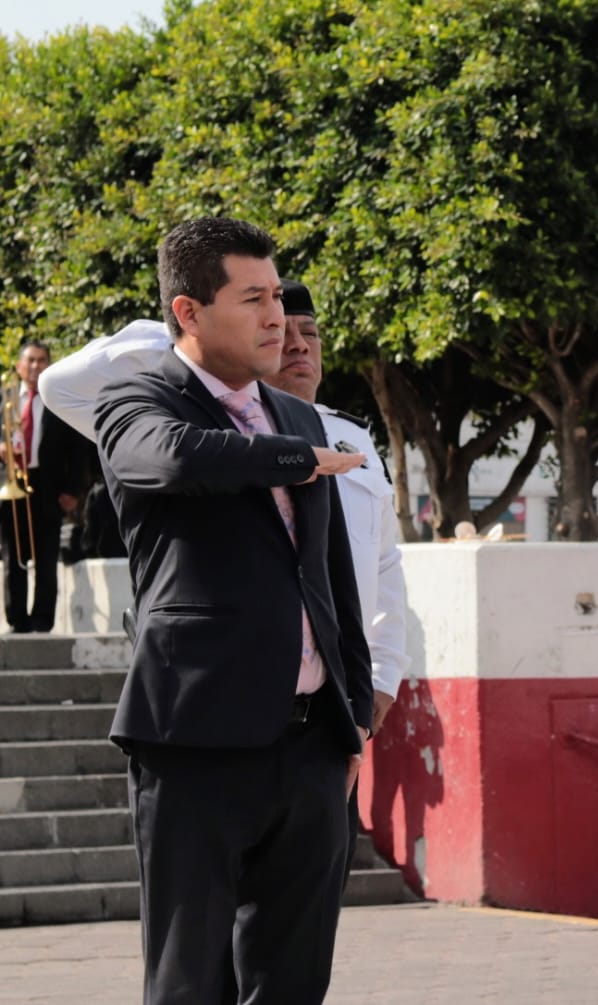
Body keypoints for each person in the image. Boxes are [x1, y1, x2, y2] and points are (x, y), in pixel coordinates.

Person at [39, 281, 412, 895]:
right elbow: (61, 386)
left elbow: (383, 573)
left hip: (322, 726)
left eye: (309, 335)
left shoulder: (353, 441)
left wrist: (378, 685)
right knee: (204, 951)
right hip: (212, 723)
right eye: (274, 328)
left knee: (296, 949)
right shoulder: (186, 430)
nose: (295, 346)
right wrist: (188, 334)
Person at [93, 217, 372, 1003]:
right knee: (190, 980)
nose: (276, 317)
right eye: (252, 298)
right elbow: (174, 457)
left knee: (293, 979)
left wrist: (354, 715)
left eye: (277, 295)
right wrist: (296, 460)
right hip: (194, 740)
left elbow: (331, 575)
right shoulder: (139, 396)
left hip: (312, 744)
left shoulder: (299, 416)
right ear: (189, 311)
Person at [0, 341, 91, 633]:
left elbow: (77, 450)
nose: (36, 366)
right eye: (31, 361)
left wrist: (73, 491)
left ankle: (42, 619)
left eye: (42, 361)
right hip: (12, 483)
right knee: (12, 555)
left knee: (47, 554)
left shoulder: (57, 400)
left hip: (48, 486)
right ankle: (17, 620)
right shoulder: (4, 399)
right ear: (19, 366)